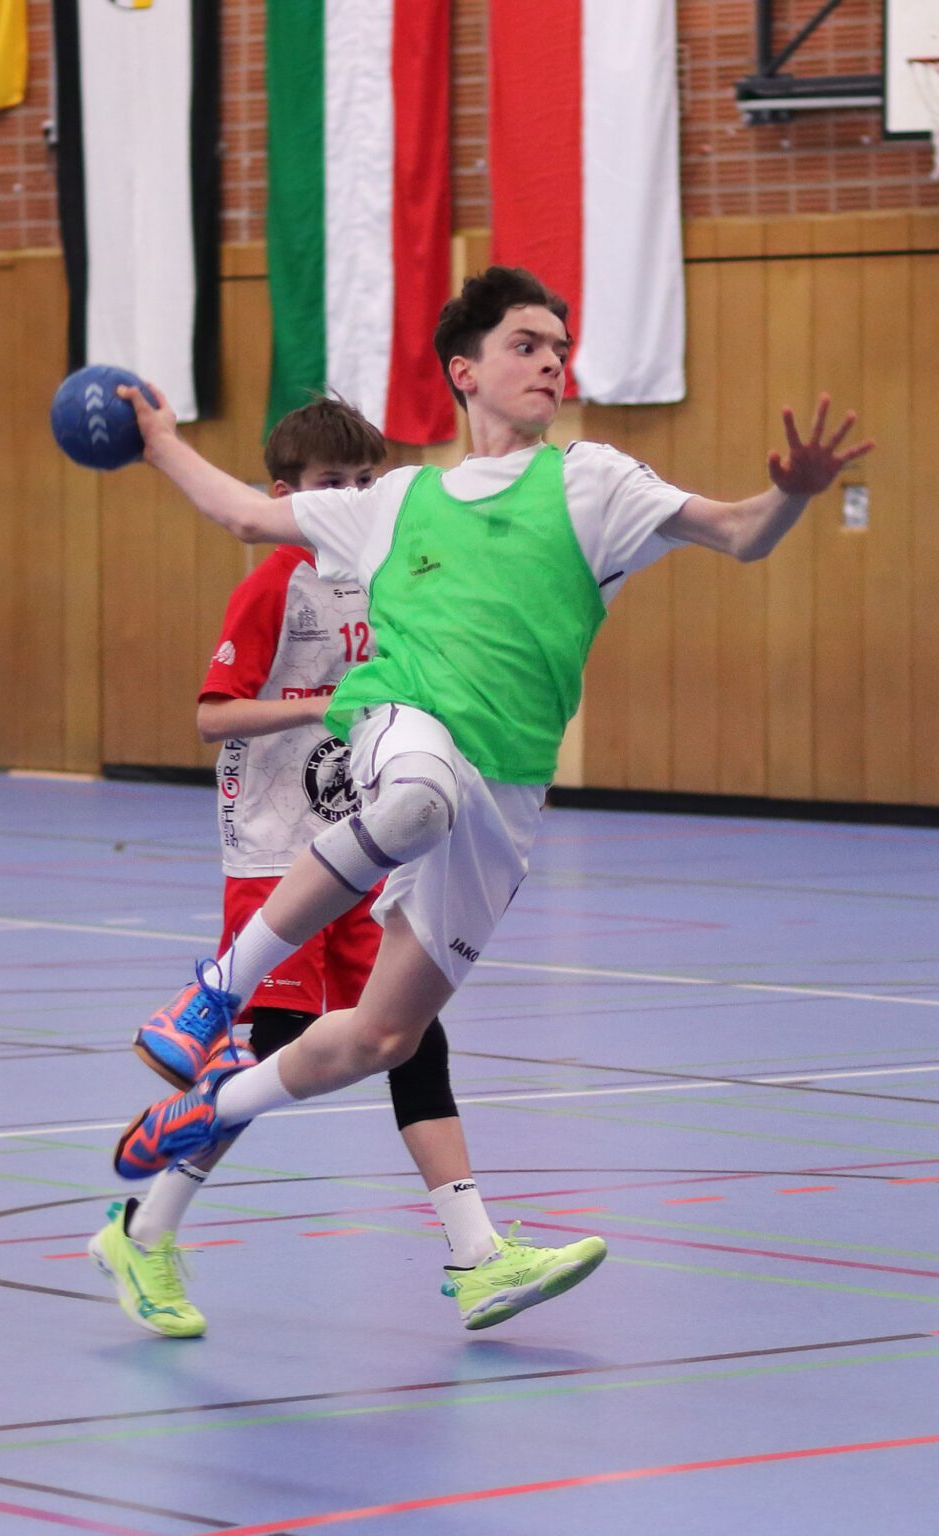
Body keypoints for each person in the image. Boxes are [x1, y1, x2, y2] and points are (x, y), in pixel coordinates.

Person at [111, 263, 872, 1297]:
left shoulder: (596, 483)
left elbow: (739, 533)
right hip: (402, 726)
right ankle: (214, 993)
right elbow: (247, 515)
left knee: (387, 1036)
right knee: (417, 798)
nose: (551, 362)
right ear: (464, 372)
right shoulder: (397, 500)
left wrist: (792, 494)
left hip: (506, 796)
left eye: (560, 348)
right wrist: (160, 443)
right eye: (526, 344)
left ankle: (213, 1112)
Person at [91, 394, 605, 1337]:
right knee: (279, 1045)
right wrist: (323, 702)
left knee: (409, 1036)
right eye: (334, 483)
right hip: (276, 848)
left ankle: (478, 1256)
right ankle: (144, 1229)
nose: (355, 496)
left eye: (368, 480)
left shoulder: (394, 572)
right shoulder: (275, 585)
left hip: (373, 839)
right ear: (286, 495)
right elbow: (211, 715)